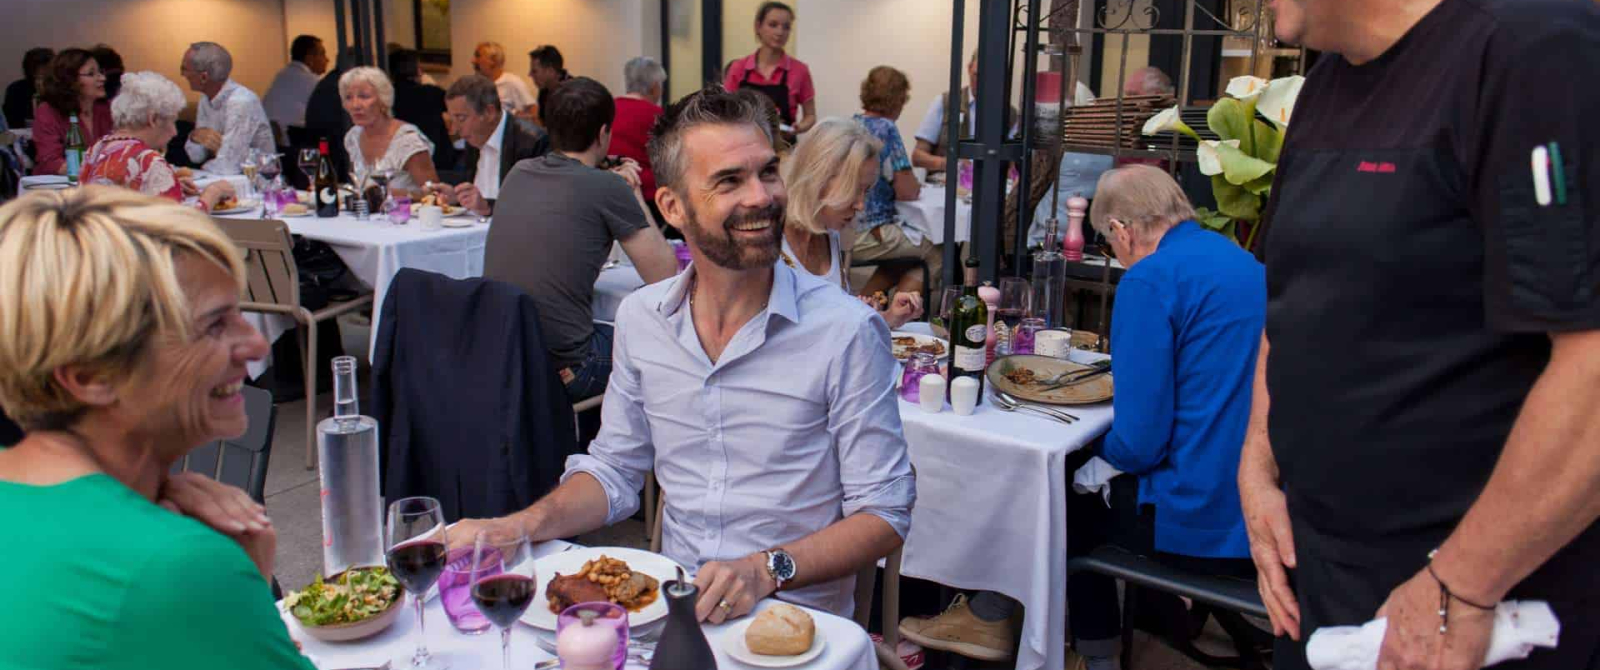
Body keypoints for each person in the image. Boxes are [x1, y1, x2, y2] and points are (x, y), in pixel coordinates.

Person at [454, 87, 916, 620]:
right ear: (672, 207)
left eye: (768, 172)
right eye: (729, 181)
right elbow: (614, 471)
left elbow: (885, 512)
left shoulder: (845, 330)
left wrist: (766, 569)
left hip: (793, 622)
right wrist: (517, 526)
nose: (762, 196)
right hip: (671, 609)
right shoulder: (642, 319)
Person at [1243, 2, 1600, 670]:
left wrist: (1459, 586)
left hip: (1477, 610)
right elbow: (1290, 300)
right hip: (1320, 577)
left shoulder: (1531, 52)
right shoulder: (1323, 86)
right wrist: (1258, 468)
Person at [0, 187, 313, 670]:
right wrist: (244, 589)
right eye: (214, 325)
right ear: (91, 376)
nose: (255, 344)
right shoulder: (173, 566)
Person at [1067, 165, 1263, 670]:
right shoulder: (1243, 261)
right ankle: (1163, 616)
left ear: (1121, 230)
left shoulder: (1150, 279)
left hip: (1200, 519)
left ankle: (1096, 654)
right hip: (1261, 505)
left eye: (1107, 241)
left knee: (1061, 496)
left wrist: (1092, 455)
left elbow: (1140, 444)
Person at [481, 77, 676, 402]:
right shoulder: (608, 187)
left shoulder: (519, 172)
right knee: (660, 343)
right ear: (603, 133)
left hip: (506, 355)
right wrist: (631, 192)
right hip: (567, 367)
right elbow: (665, 275)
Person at [781, 118, 922, 328]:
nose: (861, 205)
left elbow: (832, 323)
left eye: (865, 191)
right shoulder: (771, 246)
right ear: (819, 180)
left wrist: (887, 317)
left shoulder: (829, 232)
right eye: (854, 189)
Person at [81, 71, 235, 212]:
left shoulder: (96, 148)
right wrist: (212, 194)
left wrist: (169, 186)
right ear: (153, 119)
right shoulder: (148, 160)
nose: (175, 132)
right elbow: (182, 226)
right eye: (172, 121)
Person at [850, 66, 940, 300]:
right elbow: (907, 191)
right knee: (936, 249)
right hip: (870, 232)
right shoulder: (886, 129)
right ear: (898, 99)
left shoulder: (852, 125)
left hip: (845, 230)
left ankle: (865, 304)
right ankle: (900, 313)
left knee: (903, 258)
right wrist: (915, 184)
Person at [436, 74, 549, 217]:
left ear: (489, 112)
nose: (455, 129)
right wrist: (457, 196)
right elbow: (477, 195)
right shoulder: (474, 138)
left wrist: (489, 207)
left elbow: (537, 204)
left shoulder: (533, 143)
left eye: (461, 118)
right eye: (452, 119)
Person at [911, 51, 1022, 173]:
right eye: (977, 75)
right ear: (969, 68)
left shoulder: (1009, 114)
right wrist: (950, 164)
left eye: (989, 78)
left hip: (989, 183)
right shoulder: (946, 102)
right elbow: (918, 157)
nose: (982, 83)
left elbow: (1013, 165)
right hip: (946, 182)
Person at [722, 2, 817, 137]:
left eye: (786, 27)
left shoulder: (800, 70)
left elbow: (810, 115)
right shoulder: (738, 68)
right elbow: (724, 109)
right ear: (758, 26)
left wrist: (798, 127)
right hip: (744, 142)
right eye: (773, 25)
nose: (780, 32)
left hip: (783, 144)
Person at [180, 42, 275, 175]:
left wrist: (197, 171)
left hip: (259, 182)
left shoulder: (241, 101)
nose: (182, 74)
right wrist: (194, 137)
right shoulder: (205, 99)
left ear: (203, 77)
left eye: (184, 69)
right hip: (230, 178)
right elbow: (196, 156)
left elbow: (228, 166)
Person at [339, 66, 436, 196]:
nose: (355, 105)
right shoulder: (353, 136)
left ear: (383, 100)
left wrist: (392, 194)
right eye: (348, 98)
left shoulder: (407, 141)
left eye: (364, 96)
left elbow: (435, 194)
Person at [31, 48, 112, 176]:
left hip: (101, 181)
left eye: (100, 72)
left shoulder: (106, 108)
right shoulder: (48, 111)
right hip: (60, 184)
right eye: (91, 74)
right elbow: (51, 162)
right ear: (70, 80)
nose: (102, 78)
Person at [387, 48, 455, 172]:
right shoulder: (431, 93)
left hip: (402, 161)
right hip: (438, 161)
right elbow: (456, 107)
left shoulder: (388, 97)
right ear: (417, 70)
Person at [609, 56, 665, 203]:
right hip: (647, 193)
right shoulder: (658, 116)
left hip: (608, 188)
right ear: (654, 87)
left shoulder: (608, 108)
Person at [262, 35, 329, 145]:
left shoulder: (282, 76)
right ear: (310, 58)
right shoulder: (313, 82)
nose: (327, 59)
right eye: (322, 54)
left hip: (272, 145)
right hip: (296, 145)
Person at [471, 41, 535, 119]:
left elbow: (533, 112)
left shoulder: (512, 82)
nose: (473, 61)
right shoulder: (476, 85)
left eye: (478, 56)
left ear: (493, 61)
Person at [3, 47, 52, 129]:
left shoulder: (59, 88)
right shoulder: (16, 89)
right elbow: (12, 120)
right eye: (43, 68)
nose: (46, 72)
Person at [528, 44, 572, 126]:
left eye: (534, 71)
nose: (529, 74)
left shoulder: (573, 93)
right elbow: (542, 122)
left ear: (550, 71)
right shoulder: (544, 89)